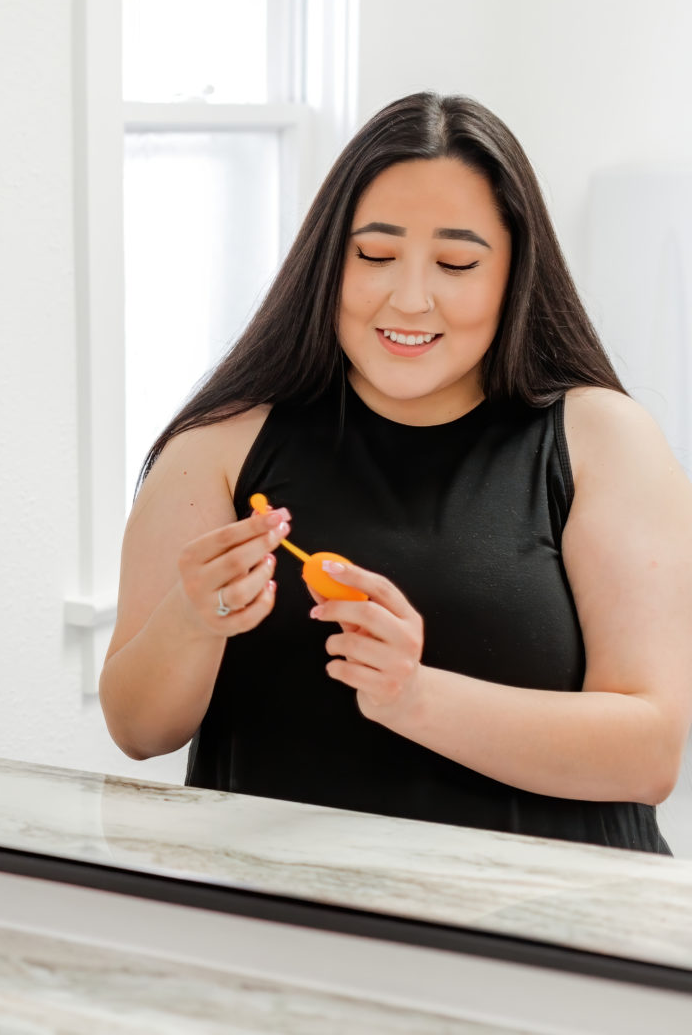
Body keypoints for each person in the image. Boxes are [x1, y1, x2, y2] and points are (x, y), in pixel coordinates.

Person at [99, 92, 692, 853]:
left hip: (549, 936)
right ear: (326, 262)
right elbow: (138, 731)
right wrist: (190, 618)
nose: (410, 298)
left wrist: (414, 697)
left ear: (515, 272)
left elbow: (648, 755)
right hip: (287, 927)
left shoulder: (603, 440)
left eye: (456, 263)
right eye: (374, 256)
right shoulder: (218, 449)